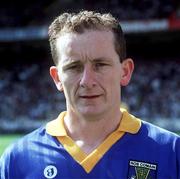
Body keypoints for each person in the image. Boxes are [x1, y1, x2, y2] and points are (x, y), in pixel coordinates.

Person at [0, 10, 180, 179]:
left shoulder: (172, 152)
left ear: (125, 72)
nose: (87, 80)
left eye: (100, 65)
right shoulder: (17, 160)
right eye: (73, 67)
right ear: (57, 78)